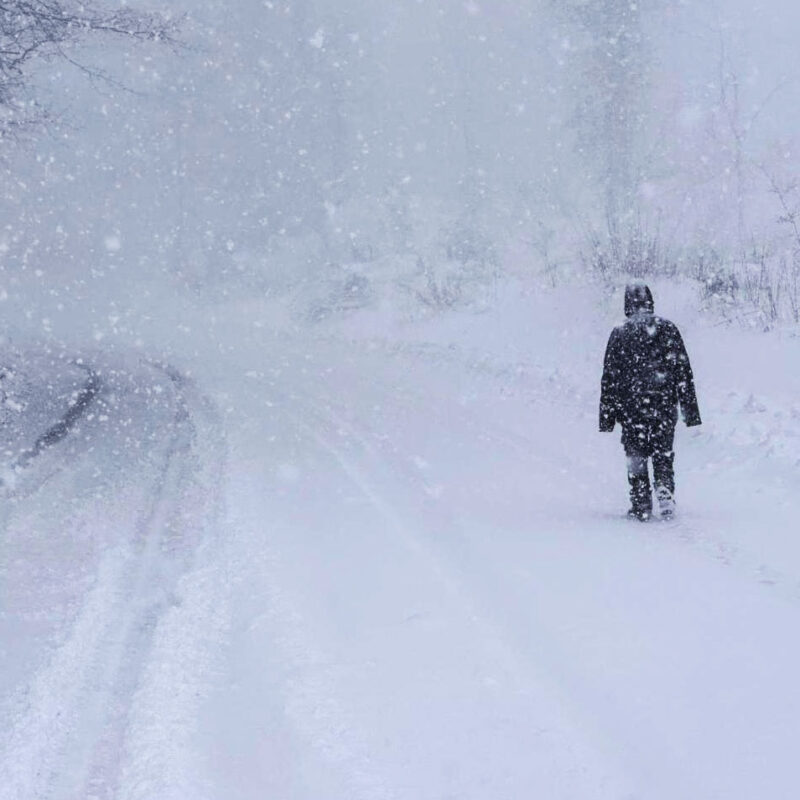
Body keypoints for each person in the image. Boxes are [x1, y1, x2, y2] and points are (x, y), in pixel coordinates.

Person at [599, 283, 701, 521]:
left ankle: (641, 500)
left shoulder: (620, 333)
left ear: (627, 305)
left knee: (635, 453)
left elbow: (610, 377)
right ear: (650, 302)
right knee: (662, 450)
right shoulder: (667, 328)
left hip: (631, 405)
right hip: (663, 402)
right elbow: (683, 371)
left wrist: (608, 417)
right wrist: (689, 410)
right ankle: (664, 489)